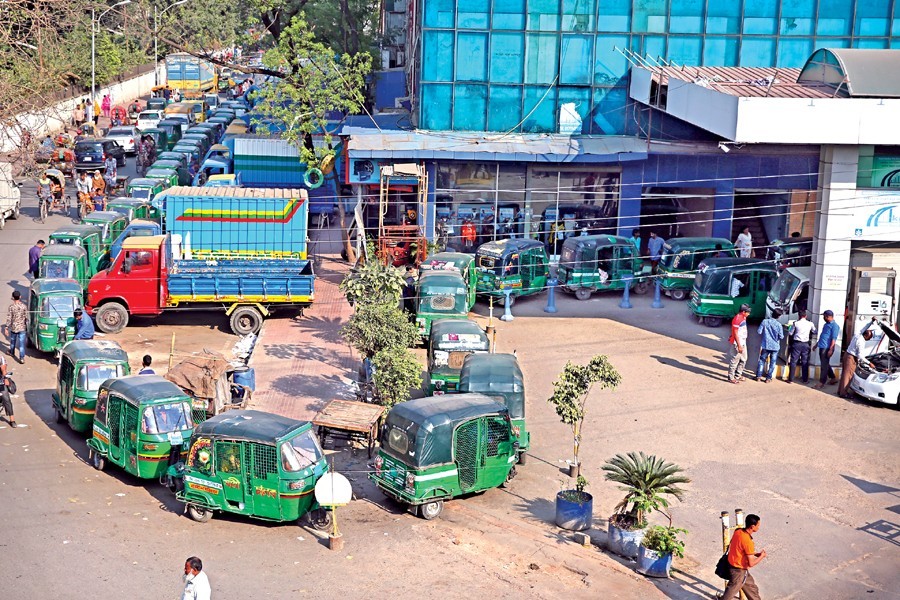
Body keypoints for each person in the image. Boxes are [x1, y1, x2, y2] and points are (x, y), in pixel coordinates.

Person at [722, 513, 766, 600]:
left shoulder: (738, 531)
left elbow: (740, 548)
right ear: (752, 527)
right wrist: (762, 556)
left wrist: (754, 554)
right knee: (731, 592)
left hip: (733, 565)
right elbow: (751, 563)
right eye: (758, 525)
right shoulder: (748, 541)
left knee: (752, 589)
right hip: (738, 570)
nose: (759, 527)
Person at [838, 318, 877, 398]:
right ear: (866, 336)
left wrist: (871, 321)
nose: (869, 339)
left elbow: (865, 327)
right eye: (869, 338)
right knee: (848, 376)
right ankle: (843, 393)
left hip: (847, 355)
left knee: (844, 374)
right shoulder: (861, 342)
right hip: (851, 358)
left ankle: (840, 391)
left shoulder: (858, 334)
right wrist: (869, 363)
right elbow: (860, 356)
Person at [787, 309, 816, 384]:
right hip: (805, 344)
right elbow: (814, 331)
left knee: (793, 361)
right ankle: (805, 379)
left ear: (799, 316)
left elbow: (790, 333)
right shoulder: (810, 324)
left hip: (796, 344)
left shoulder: (796, 323)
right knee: (805, 362)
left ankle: (791, 379)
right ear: (806, 316)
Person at [814, 310, 840, 389]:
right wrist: (816, 344)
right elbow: (823, 335)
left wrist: (831, 349)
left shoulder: (834, 326)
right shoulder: (826, 325)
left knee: (823, 365)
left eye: (824, 316)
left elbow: (833, 339)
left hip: (827, 347)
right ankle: (833, 378)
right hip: (822, 346)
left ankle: (822, 382)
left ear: (828, 317)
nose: (823, 318)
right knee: (825, 363)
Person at [756, 309, 784, 383]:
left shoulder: (764, 321)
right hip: (775, 347)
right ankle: (768, 378)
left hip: (765, 345)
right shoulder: (779, 325)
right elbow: (781, 337)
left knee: (762, 361)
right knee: (772, 363)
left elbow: (759, 331)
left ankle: (758, 376)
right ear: (778, 316)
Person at [727, 303, 751, 384]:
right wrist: (739, 345)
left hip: (743, 342)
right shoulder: (738, 318)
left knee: (744, 359)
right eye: (748, 312)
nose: (749, 314)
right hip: (738, 343)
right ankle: (731, 377)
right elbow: (735, 332)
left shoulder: (743, 317)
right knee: (735, 360)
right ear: (743, 311)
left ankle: (738, 375)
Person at [5, 291, 28, 364]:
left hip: (14, 328)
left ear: (13, 298)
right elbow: (26, 317)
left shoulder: (11, 307)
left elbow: (9, 318)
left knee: (13, 342)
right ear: (20, 297)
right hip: (22, 328)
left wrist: (6, 327)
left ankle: (12, 352)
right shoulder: (24, 306)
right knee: (21, 344)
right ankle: (21, 358)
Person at [0, 353, 16, 428]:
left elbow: (4, 370)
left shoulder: (1, 359)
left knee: (6, 399)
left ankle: (12, 420)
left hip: (0, 381)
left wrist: (6, 379)